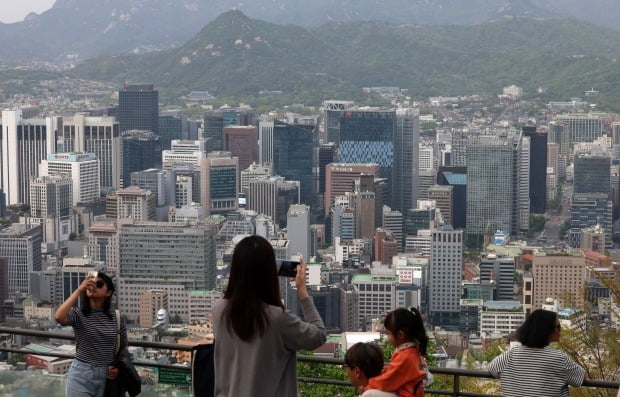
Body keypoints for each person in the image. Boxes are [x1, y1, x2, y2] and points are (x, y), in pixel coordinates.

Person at [212, 235, 327, 397]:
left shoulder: (218, 311)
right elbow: (319, 336)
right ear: (269, 272)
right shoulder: (277, 318)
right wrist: (302, 291)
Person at [55, 271, 127, 397]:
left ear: (108, 292)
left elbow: (124, 347)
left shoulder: (117, 317)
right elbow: (59, 317)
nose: (93, 287)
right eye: (91, 284)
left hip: (107, 375)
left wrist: (118, 367)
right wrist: (79, 290)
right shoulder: (79, 314)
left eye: (99, 284)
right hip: (81, 374)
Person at [488, 309, 586, 397]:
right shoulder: (559, 358)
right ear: (546, 330)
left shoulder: (510, 355)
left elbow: (492, 369)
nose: (560, 329)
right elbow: (581, 378)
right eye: (558, 326)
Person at [364, 307, 429, 397]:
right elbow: (393, 372)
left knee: (369, 394)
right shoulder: (412, 351)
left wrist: (368, 384)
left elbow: (388, 381)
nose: (388, 338)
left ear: (400, 335)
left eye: (389, 333)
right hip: (408, 393)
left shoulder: (405, 356)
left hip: (405, 395)